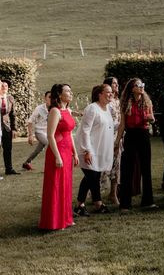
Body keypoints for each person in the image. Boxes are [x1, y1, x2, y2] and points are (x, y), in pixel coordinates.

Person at [39, 84, 79, 230]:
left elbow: (70, 134)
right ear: (59, 95)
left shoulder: (67, 110)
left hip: (68, 150)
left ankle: (66, 218)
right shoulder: (55, 111)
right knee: (57, 185)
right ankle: (55, 221)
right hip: (58, 151)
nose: (70, 93)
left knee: (66, 185)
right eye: (67, 91)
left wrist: (74, 152)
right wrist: (57, 157)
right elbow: (50, 135)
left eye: (70, 90)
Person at [115, 78, 156, 212]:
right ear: (132, 88)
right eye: (138, 85)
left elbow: (152, 119)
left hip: (143, 134)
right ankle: (125, 203)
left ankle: (148, 201)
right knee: (127, 169)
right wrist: (117, 141)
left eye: (142, 85)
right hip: (131, 135)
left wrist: (151, 118)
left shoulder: (147, 102)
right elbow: (122, 125)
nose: (141, 87)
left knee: (146, 168)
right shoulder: (125, 103)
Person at [74, 84, 115, 216]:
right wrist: (87, 150)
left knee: (91, 177)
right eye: (108, 92)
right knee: (92, 176)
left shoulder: (107, 108)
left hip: (100, 148)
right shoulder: (92, 108)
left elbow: (109, 126)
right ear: (99, 94)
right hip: (88, 148)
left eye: (111, 92)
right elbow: (85, 131)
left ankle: (80, 205)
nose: (111, 94)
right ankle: (97, 203)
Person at [22, 91, 51, 170]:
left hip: (49, 133)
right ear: (45, 98)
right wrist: (30, 135)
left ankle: (26, 163)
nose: (51, 99)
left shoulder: (55, 108)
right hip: (39, 132)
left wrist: (79, 113)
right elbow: (30, 121)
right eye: (50, 97)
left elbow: (68, 111)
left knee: (39, 150)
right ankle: (49, 168)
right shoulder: (39, 108)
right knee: (51, 145)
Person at [103, 77, 121, 205]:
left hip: (118, 135)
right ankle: (96, 192)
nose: (116, 85)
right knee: (103, 166)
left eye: (117, 83)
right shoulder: (106, 103)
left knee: (117, 165)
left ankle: (113, 193)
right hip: (108, 135)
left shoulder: (118, 101)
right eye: (114, 83)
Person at [1, 80, 20, 175]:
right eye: (2, 85)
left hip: (7, 127)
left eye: (6, 86)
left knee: (8, 149)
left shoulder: (10, 98)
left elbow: (13, 115)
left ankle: (9, 169)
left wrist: (14, 129)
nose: (4, 87)